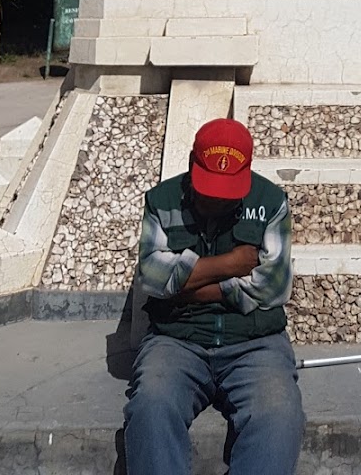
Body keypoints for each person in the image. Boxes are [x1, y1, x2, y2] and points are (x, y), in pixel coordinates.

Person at [123, 117, 305, 475]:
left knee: (280, 414)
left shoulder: (270, 203)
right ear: (192, 161)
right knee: (151, 407)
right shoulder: (161, 202)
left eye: (227, 192)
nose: (216, 201)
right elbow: (152, 276)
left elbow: (273, 287)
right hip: (176, 340)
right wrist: (232, 264)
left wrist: (186, 288)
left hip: (256, 342)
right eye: (209, 188)